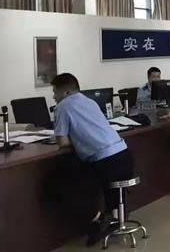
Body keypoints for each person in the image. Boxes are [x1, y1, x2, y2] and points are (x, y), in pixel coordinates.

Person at [52, 73, 133, 245]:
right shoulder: (90, 101)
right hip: (124, 156)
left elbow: (62, 142)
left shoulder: (62, 107)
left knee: (64, 185)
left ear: (66, 92)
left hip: (105, 162)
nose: (53, 97)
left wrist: (80, 140)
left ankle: (97, 218)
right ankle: (112, 216)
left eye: (55, 92)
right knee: (96, 182)